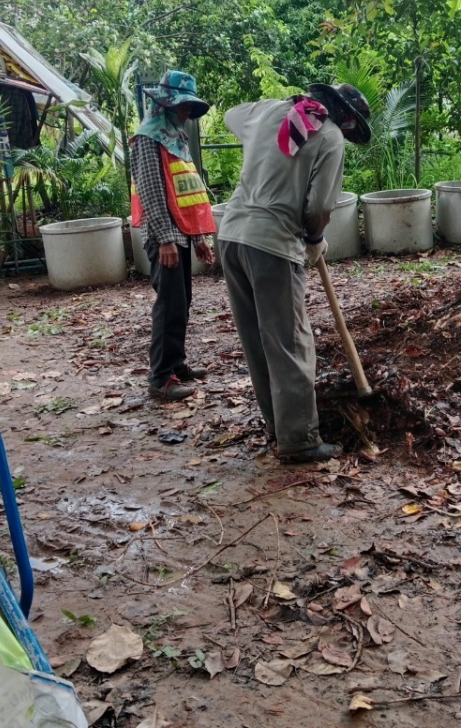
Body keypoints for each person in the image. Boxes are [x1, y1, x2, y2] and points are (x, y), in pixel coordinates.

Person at [217, 83, 372, 464]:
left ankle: (278, 425)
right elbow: (319, 204)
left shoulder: (270, 111)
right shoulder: (330, 137)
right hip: (272, 243)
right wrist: (315, 237)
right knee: (289, 340)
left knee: (257, 338)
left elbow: (231, 115)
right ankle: (299, 439)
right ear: (346, 117)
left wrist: (269, 129)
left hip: (232, 236)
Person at [130, 70, 217, 403]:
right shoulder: (150, 136)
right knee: (169, 305)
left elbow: (187, 190)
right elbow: (152, 192)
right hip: (164, 235)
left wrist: (198, 239)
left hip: (182, 232)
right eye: (182, 107)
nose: (186, 113)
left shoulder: (175, 138)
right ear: (165, 105)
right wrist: (166, 238)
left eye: (189, 108)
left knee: (182, 302)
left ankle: (176, 365)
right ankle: (161, 378)